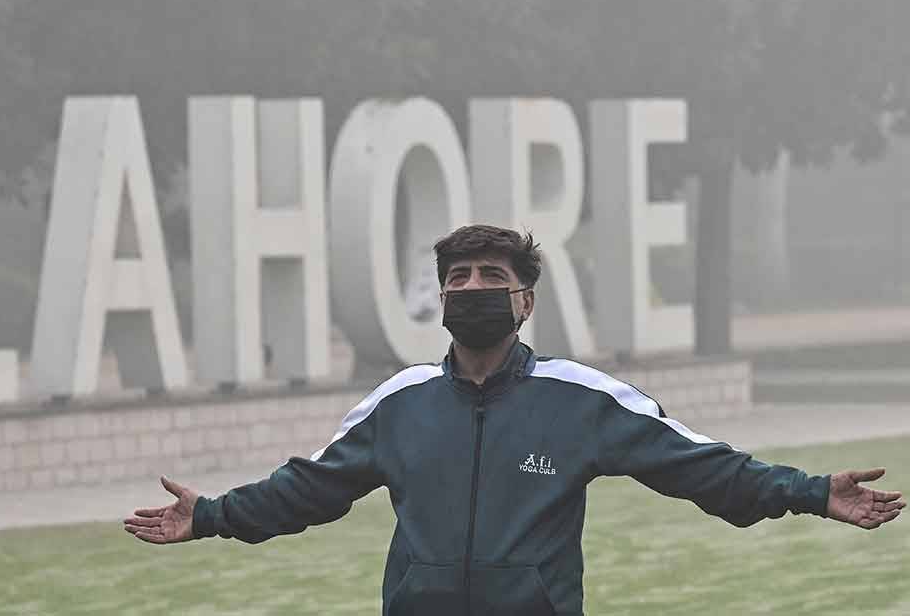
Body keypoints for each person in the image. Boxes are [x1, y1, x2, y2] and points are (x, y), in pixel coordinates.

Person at [124, 224, 905, 616]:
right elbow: (311, 488)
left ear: (523, 300)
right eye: (456, 276)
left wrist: (809, 491)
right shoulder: (400, 404)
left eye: (490, 276)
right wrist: (216, 515)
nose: (470, 287)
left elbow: (702, 466)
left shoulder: (583, 399)